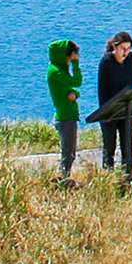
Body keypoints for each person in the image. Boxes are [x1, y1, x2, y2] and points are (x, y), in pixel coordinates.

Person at [98, 31, 132, 179]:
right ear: (115, 47)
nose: (126, 53)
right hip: (110, 110)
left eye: (128, 49)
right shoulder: (106, 62)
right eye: (123, 49)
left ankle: (128, 175)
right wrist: (106, 113)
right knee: (109, 146)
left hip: (127, 108)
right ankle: (108, 177)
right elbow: (102, 90)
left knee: (127, 145)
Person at [47, 40, 84, 181]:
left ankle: (64, 178)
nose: (72, 59)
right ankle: (63, 179)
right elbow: (76, 82)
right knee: (68, 154)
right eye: (71, 57)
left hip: (69, 115)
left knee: (70, 153)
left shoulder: (61, 70)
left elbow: (73, 90)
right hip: (65, 117)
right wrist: (76, 64)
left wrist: (75, 94)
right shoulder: (55, 72)